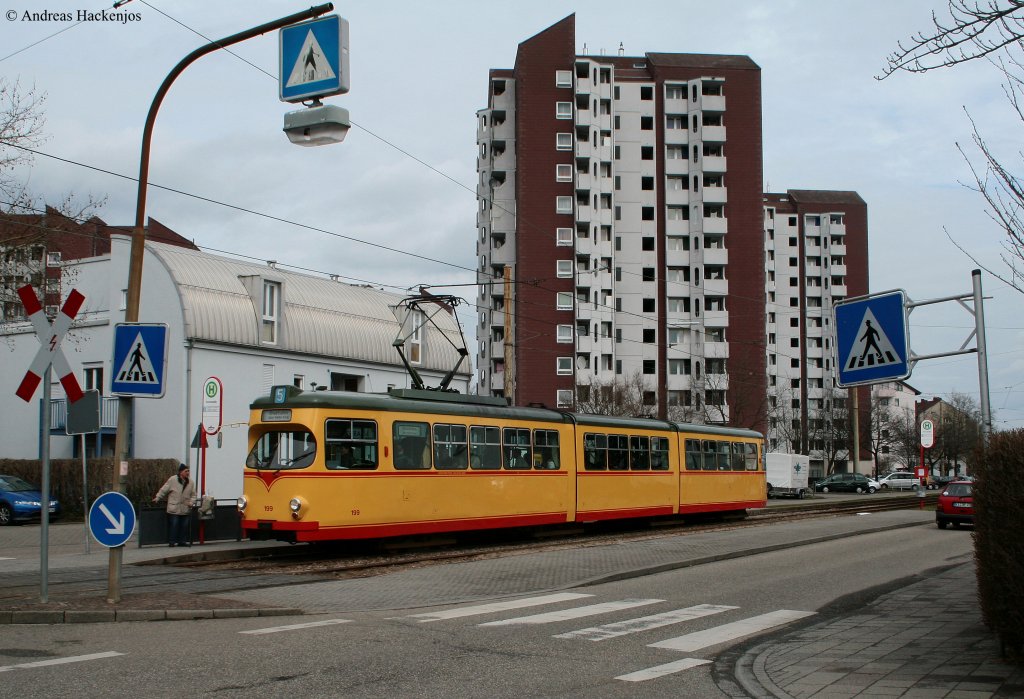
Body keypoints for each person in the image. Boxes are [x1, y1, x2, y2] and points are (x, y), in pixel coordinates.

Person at [153, 463, 195, 547]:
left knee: (184, 526)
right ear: (181, 472)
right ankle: (172, 542)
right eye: (186, 471)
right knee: (174, 525)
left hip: (185, 508)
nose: (188, 473)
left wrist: (191, 502)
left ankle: (182, 541)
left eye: (188, 471)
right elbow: (164, 489)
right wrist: (157, 498)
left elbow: (193, 495)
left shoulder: (191, 482)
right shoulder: (172, 480)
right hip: (174, 507)